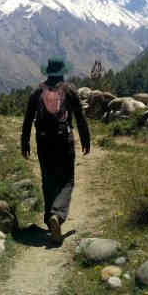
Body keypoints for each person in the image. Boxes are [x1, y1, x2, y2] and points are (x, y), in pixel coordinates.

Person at [21, 57, 90, 244]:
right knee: (67, 180)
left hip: (43, 141)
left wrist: (24, 141)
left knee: (48, 179)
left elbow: (28, 118)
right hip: (64, 141)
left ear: (48, 71)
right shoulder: (69, 90)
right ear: (62, 72)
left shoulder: (37, 91)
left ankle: (50, 216)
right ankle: (57, 216)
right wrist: (85, 138)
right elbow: (80, 117)